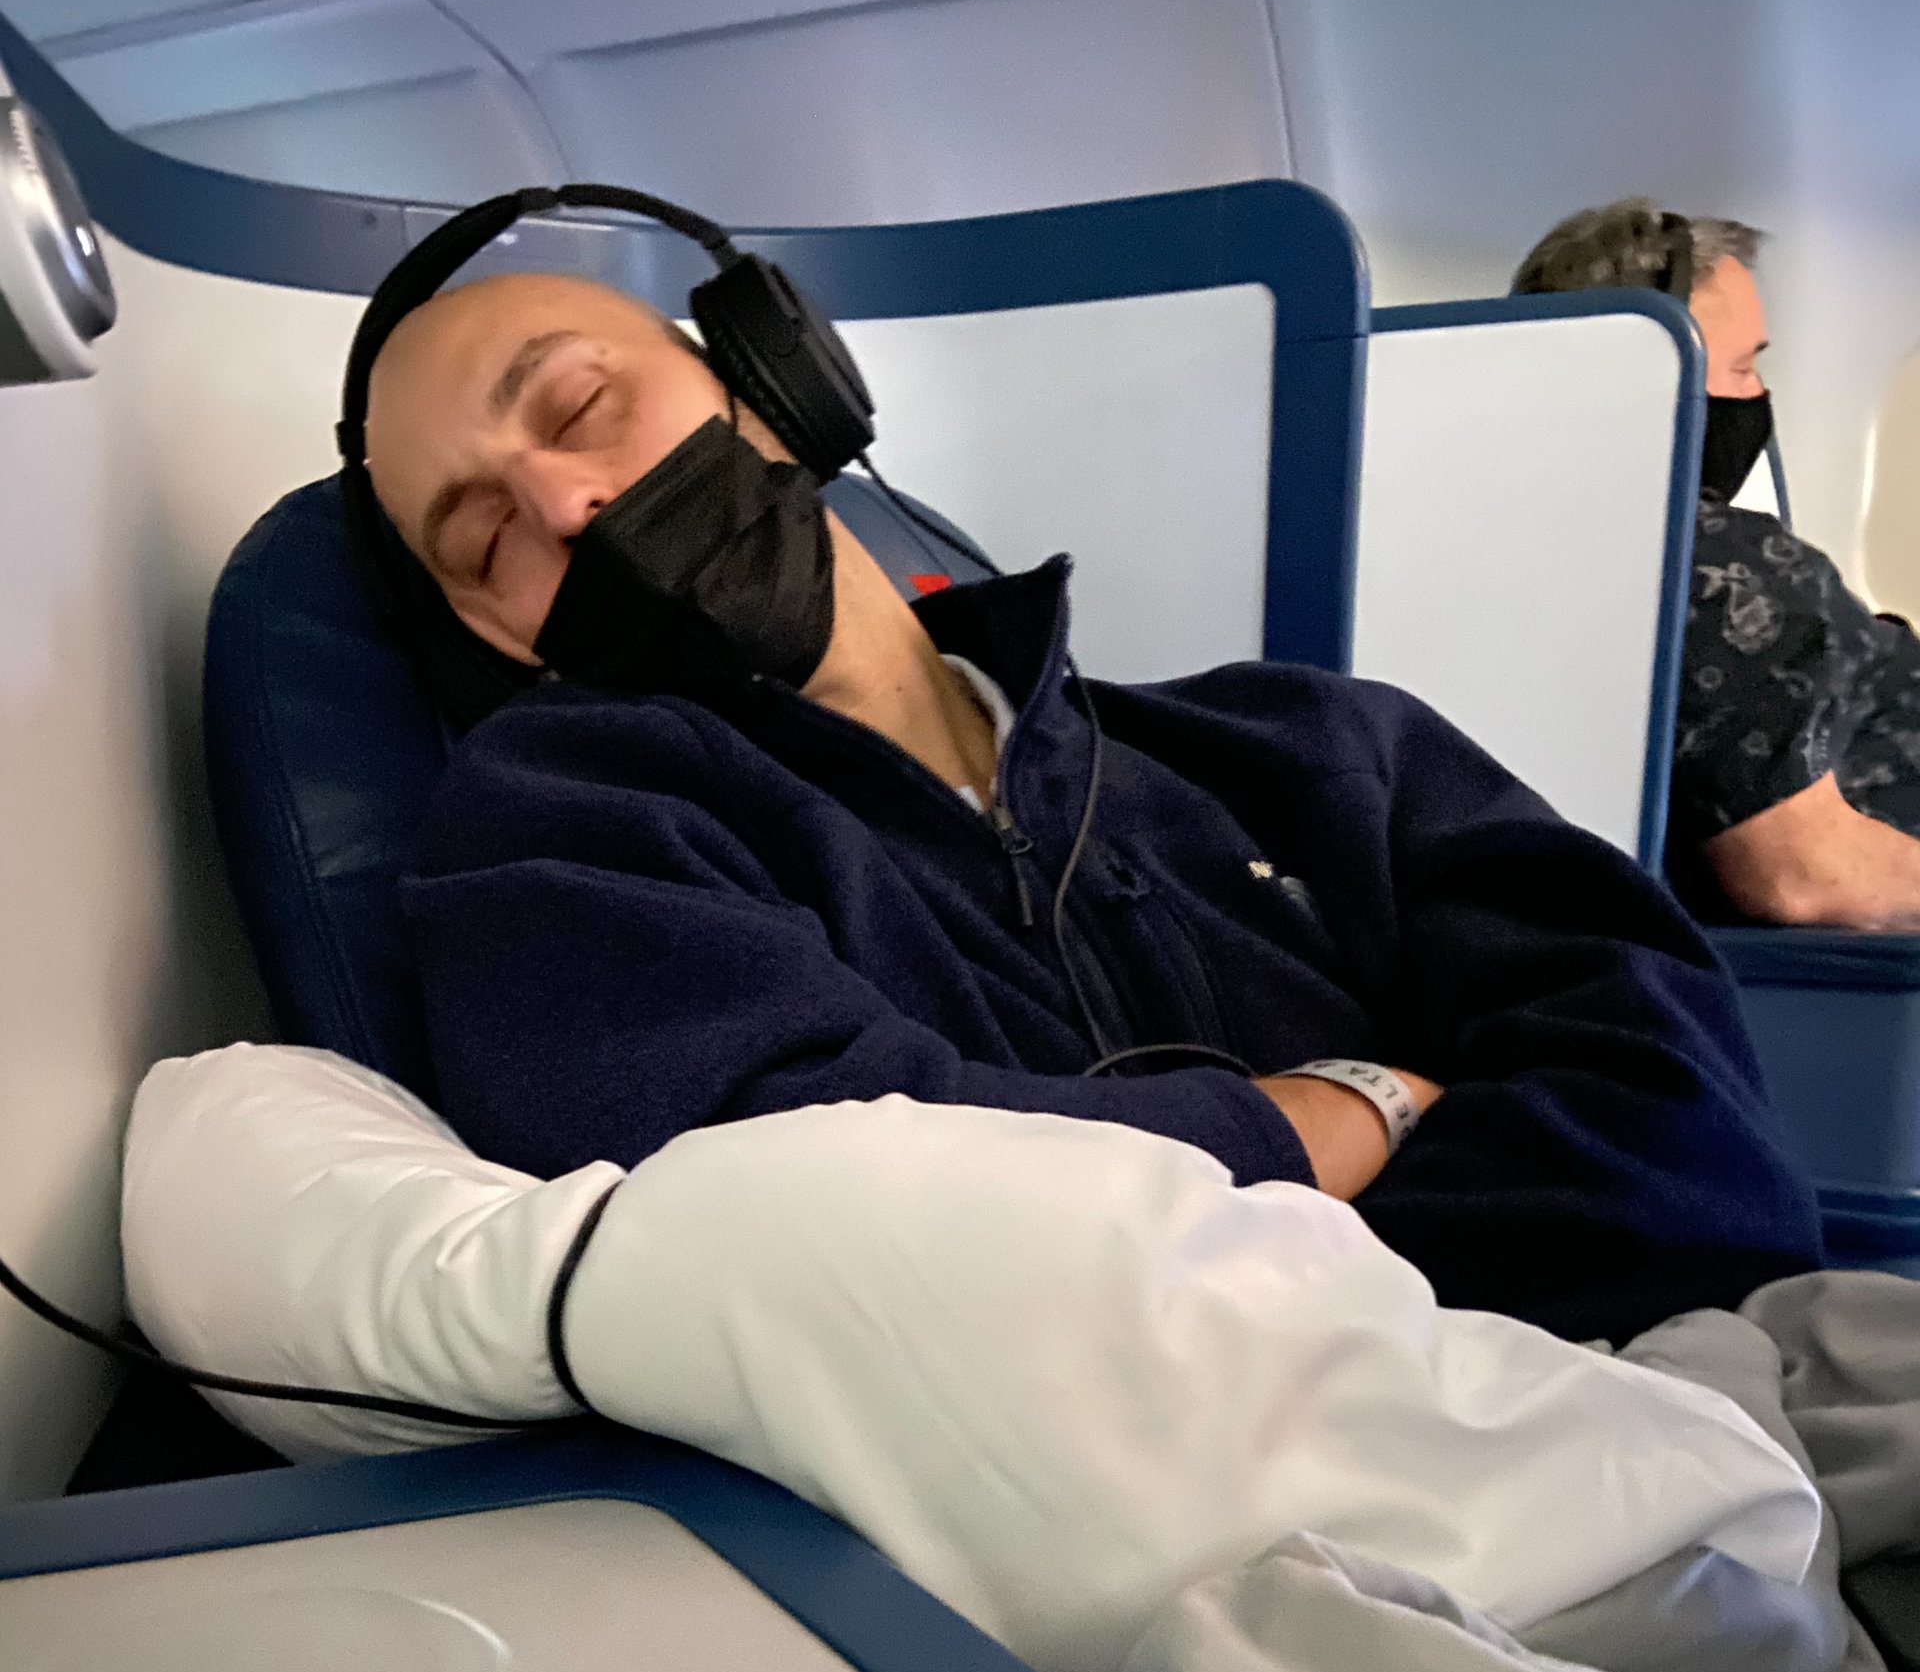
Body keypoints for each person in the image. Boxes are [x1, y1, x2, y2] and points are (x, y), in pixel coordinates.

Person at [359, 263, 1821, 1348]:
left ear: (775, 384)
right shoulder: (560, 841)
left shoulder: (1319, 746)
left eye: (582, 407)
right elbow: (837, 1244)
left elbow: (1694, 1162)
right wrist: (1349, 1109)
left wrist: (1182, 1262)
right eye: (484, 540)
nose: (565, 505)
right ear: (494, 637)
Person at [1513, 199, 1920, 930]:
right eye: (1741, 367)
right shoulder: (1715, 565)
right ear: (1641, 379)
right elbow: (1810, 877)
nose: (1757, 396)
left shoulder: (1543, 550)